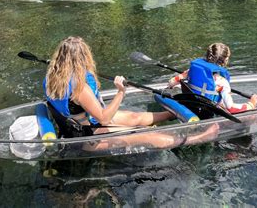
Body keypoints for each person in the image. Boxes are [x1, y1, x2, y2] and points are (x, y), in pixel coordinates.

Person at [44, 36, 218, 149]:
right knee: (147, 135)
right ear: (84, 58)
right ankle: (200, 138)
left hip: (80, 123)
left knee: (135, 118)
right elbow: (103, 118)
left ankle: (173, 113)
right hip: (87, 137)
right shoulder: (79, 87)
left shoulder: (53, 76)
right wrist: (121, 91)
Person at [168, 43, 257, 114]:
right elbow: (231, 108)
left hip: (191, 103)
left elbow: (172, 82)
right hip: (209, 110)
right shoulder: (222, 82)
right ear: (225, 60)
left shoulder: (190, 71)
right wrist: (251, 103)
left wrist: (171, 86)